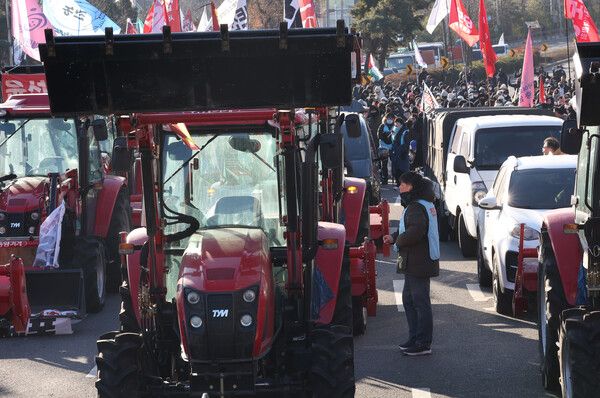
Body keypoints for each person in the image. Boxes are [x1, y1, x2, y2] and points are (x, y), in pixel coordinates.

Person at [383, 172, 440, 356]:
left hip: (419, 261)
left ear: (411, 187)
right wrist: (393, 237)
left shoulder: (416, 206)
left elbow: (416, 231)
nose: (399, 187)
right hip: (416, 261)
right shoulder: (420, 203)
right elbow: (408, 228)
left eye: (402, 184)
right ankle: (414, 338)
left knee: (419, 302)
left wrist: (398, 241)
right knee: (409, 300)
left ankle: (423, 343)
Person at [377, 113, 395, 184]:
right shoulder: (382, 126)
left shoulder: (395, 126)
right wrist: (386, 136)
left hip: (392, 147)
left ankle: (395, 177)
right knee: (383, 164)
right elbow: (379, 135)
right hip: (383, 147)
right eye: (388, 118)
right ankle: (385, 178)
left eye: (391, 118)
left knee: (394, 163)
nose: (389, 120)